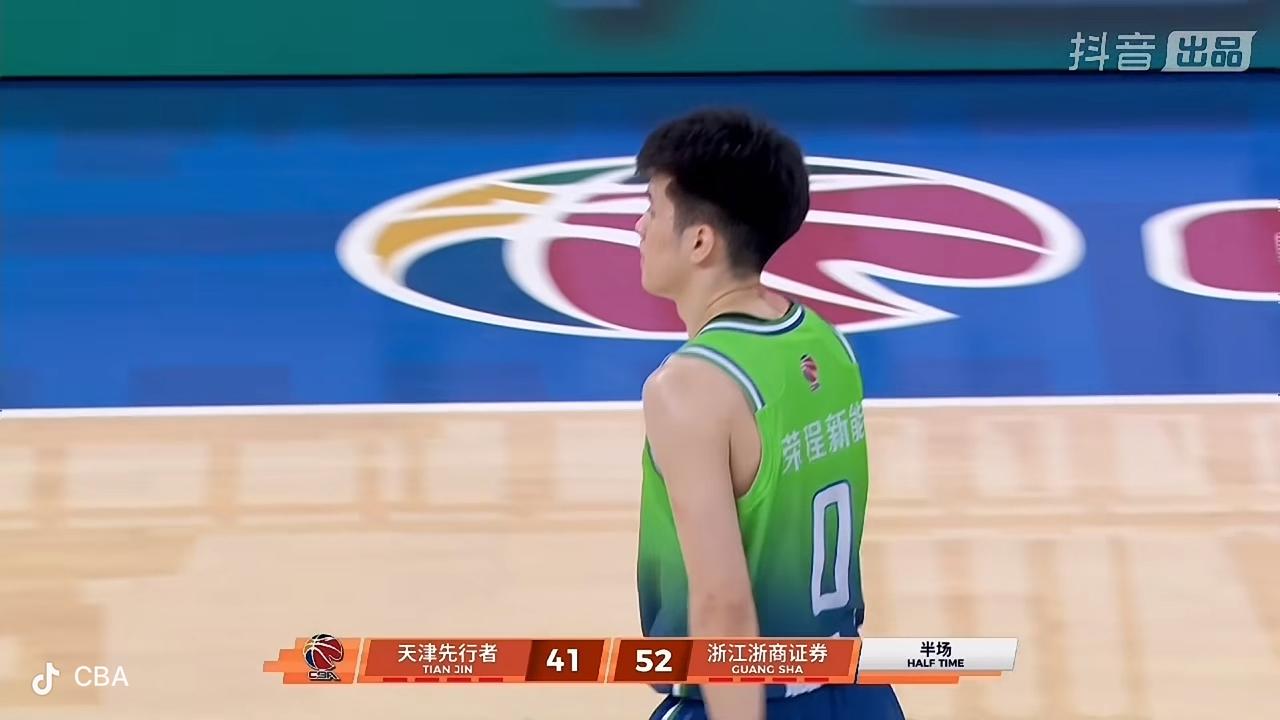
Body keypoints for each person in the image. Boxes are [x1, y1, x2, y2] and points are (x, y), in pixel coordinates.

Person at [634, 108, 904, 720]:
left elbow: (723, 604)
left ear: (700, 241)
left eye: (652, 209)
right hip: (857, 693)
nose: (639, 227)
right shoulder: (827, 342)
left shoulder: (688, 388)